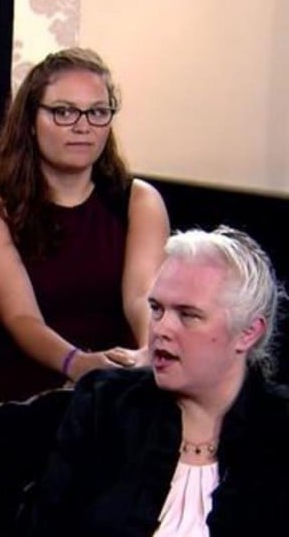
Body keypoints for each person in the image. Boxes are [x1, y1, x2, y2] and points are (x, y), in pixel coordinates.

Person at [27, 226, 289, 536]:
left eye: (188, 315)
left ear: (248, 332)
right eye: (156, 309)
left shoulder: (278, 427)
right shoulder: (105, 404)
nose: (161, 329)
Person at [0, 47, 170, 398]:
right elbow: (21, 317)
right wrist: (78, 364)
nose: (83, 126)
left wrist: (148, 352)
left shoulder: (140, 201)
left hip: (119, 385)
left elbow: (141, 298)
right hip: (27, 390)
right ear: (31, 122)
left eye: (98, 112)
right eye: (64, 112)